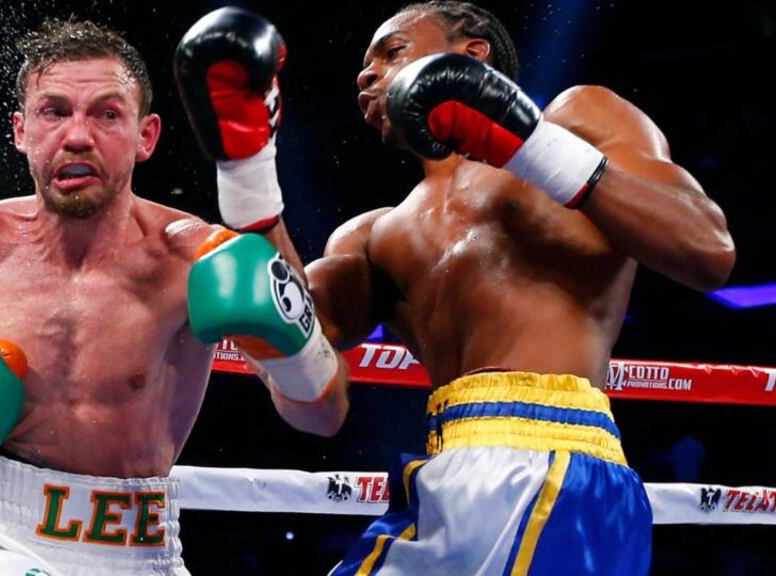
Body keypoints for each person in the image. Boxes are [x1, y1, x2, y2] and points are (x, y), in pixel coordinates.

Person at [262, 1, 733, 574]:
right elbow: (288, 333)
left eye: (393, 51)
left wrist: (531, 149)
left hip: (559, 470)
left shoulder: (579, 118)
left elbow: (709, 250)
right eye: (365, 66)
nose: (367, 74)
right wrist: (250, 173)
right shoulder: (370, 235)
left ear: (472, 55)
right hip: (438, 482)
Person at [0, 17, 317, 576]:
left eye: (106, 113)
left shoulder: (194, 258)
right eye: (54, 111)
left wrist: (296, 332)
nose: (77, 135)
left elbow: (314, 410)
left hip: (145, 547)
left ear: (145, 136)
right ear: (21, 131)